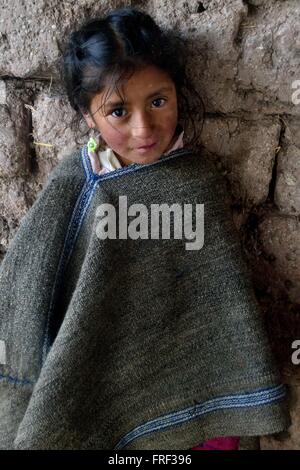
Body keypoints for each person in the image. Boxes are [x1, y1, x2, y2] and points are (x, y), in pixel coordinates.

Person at [0, 6, 290, 450]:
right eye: (117, 111)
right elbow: (28, 285)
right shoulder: (74, 185)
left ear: (177, 92)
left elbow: (218, 305)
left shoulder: (195, 185)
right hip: (98, 388)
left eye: (158, 101)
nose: (143, 128)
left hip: (196, 405)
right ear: (86, 114)